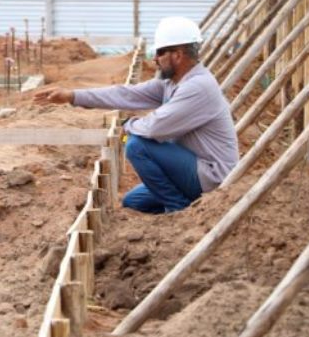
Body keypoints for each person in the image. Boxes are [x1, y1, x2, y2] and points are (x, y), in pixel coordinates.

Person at [34, 16, 238, 214]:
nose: (155, 59)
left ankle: (178, 209)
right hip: (193, 166)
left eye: (159, 53)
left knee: (136, 145)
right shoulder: (173, 83)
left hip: (212, 175)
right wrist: (72, 96)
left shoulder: (197, 87)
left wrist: (128, 125)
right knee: (134, 201)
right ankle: (185, 200)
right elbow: (125, 94)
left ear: (177, 54)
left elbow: (155, 128)